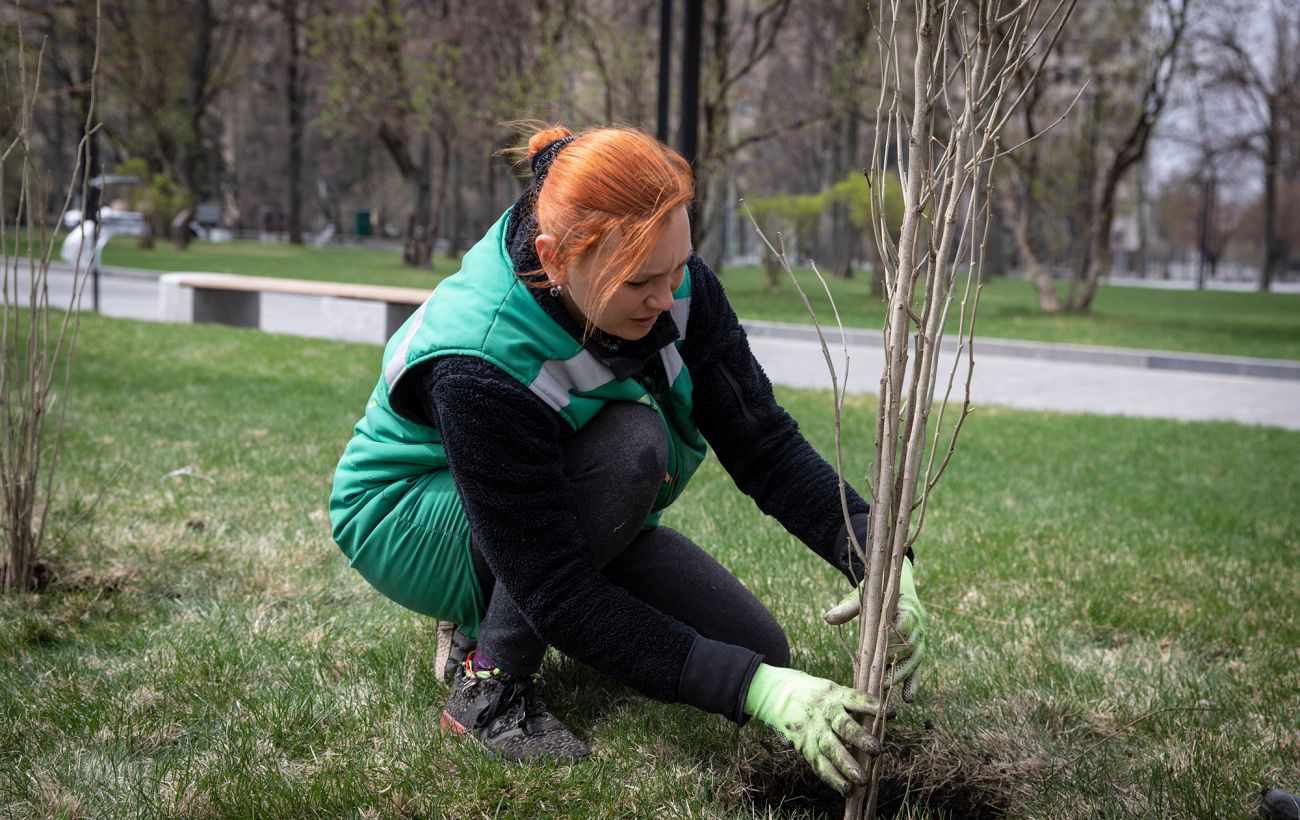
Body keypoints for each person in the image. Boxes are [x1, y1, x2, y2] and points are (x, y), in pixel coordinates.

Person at [328, 124, 928, 795]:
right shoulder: (479, 363)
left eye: (677, 268)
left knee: (757, 650)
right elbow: (557, 590)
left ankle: (493, 606)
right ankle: (487, 684)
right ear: (556, 259)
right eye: (642, 281)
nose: (669, 298)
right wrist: (754, 694)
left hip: (554, 496)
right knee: (631, 448)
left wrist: (876, 554)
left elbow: (761, 439)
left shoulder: (675, 285)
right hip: (409, 513)